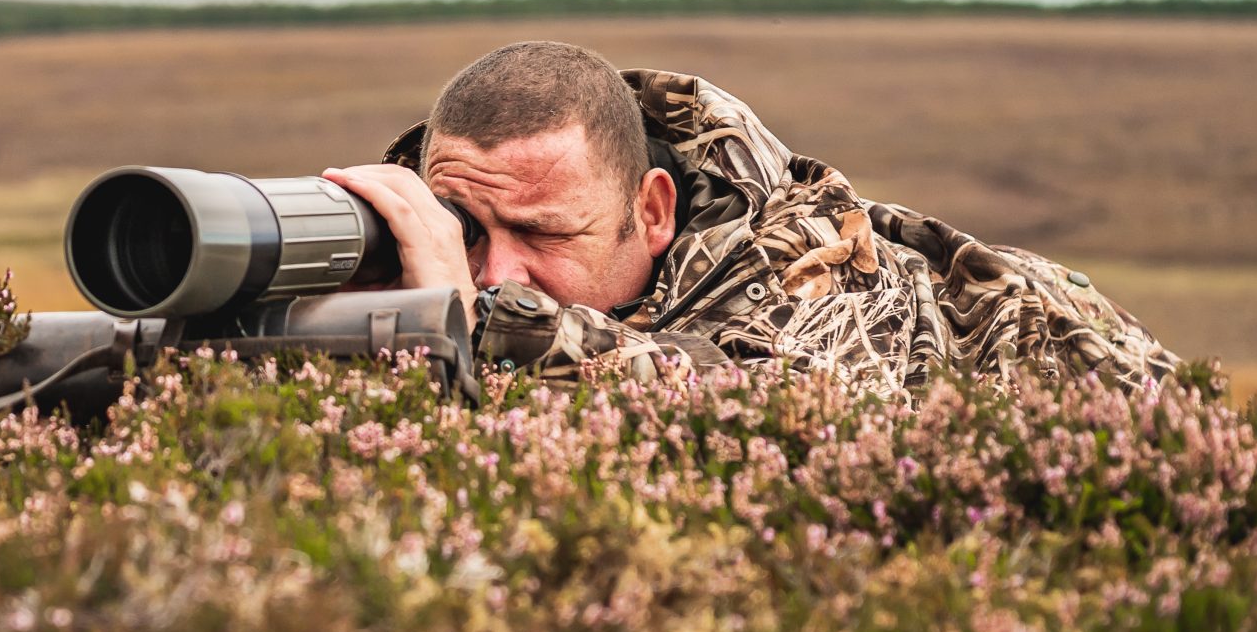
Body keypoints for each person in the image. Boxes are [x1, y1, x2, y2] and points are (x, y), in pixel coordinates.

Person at [323, 40, 1176, 394]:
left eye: (546, 235)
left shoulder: (815, 267)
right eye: (467, 229)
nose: (498, 272)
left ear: (650, 212)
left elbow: (758, 404)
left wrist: (458, 323)